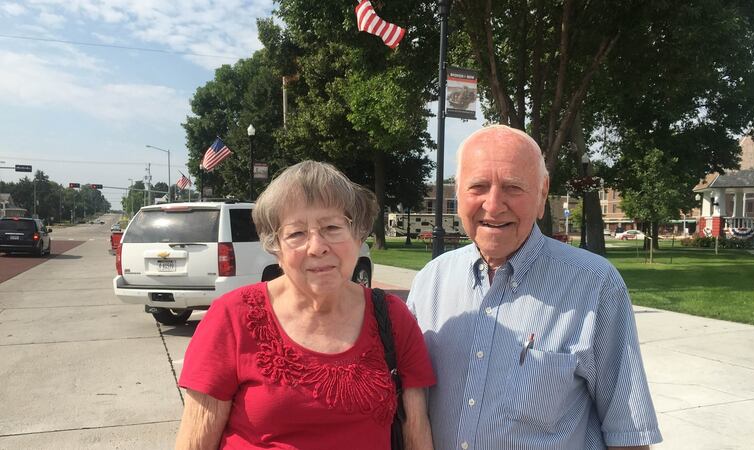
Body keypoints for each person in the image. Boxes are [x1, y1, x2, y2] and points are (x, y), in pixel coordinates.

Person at [407, 125, 662, 450]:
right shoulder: (431, 282)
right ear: (457, 193)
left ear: (542, 195)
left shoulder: (595, 285)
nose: (494, 204)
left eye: (513, 187)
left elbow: (627, 435)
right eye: (478, 187)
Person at [176, 161, 436, 450]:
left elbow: (416, 434)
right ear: (276, 247)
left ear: (358, 235)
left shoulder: (391, 317)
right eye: (296, 233)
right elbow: (195, 442)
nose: (317, 247)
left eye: (332, 227)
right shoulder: (233, 317)